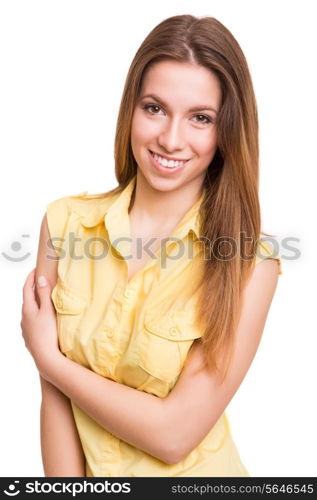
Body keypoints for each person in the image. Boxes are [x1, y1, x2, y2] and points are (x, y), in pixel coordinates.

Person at [20, 14, 282, 477]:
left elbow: (173, 435)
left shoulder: (250, 263)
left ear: (226, 133)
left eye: (200, 118)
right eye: (155, 108)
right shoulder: (65, 224)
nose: (171, 139)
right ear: (131, 110)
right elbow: (54, 401)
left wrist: (49, 360)